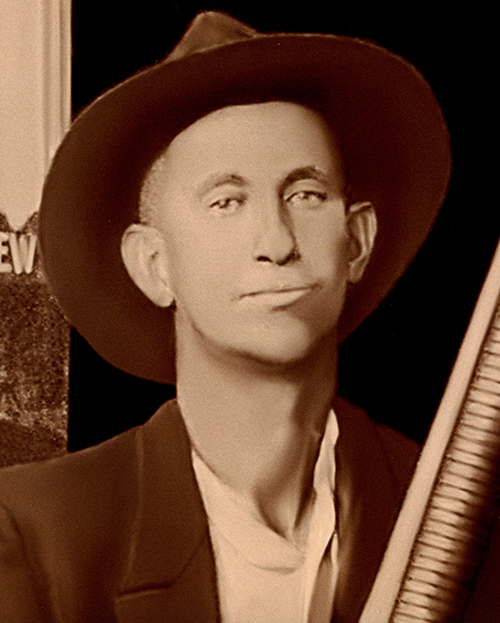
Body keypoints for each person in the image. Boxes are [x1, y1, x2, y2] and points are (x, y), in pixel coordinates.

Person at [0, 11, 452, 623]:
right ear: (154, 264)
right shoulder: (36, 531)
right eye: (227, 202)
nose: (277, 242)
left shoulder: (455, 515)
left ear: (357, 241)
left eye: (305, 195)